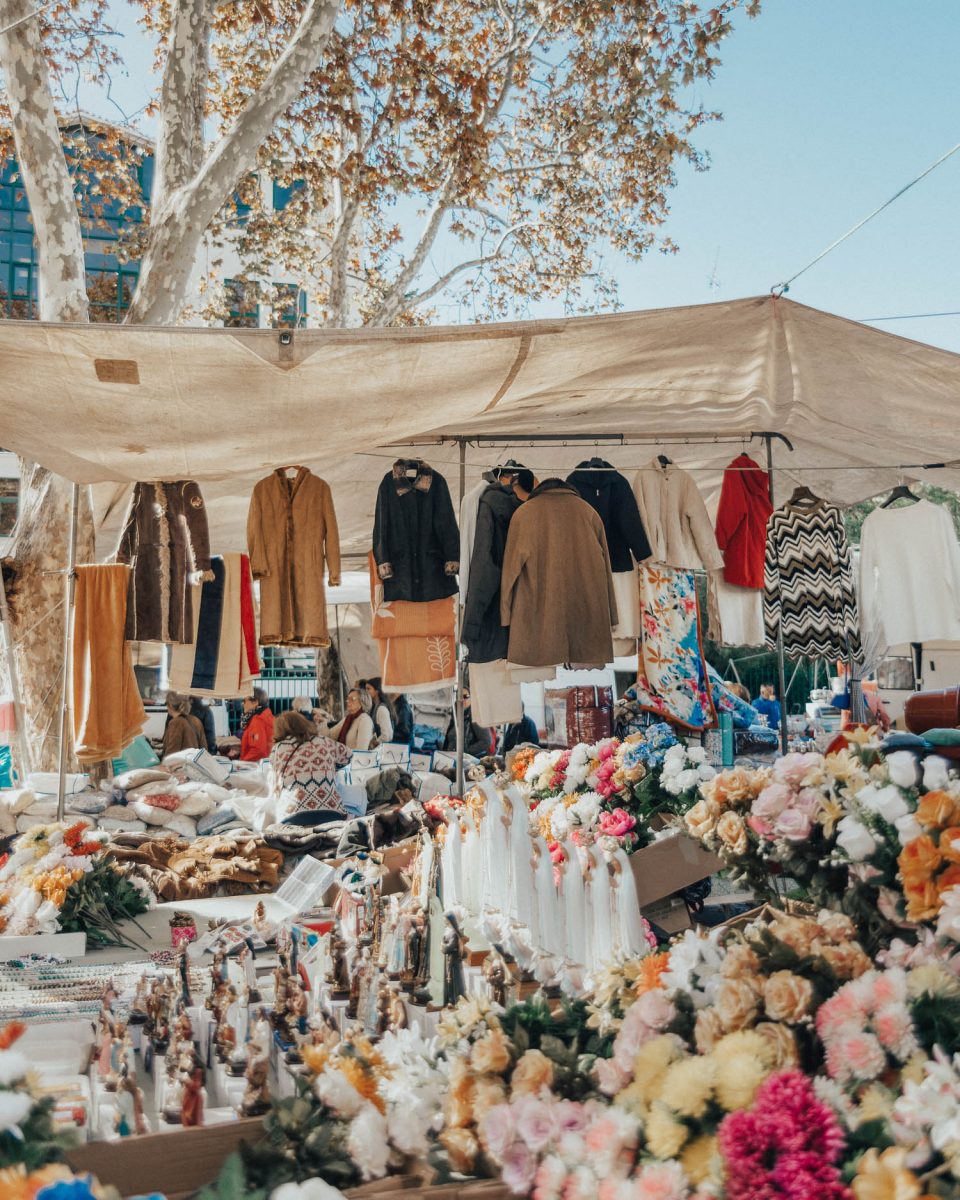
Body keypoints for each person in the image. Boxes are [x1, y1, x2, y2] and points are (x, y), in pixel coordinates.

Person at [269, 710, 351, 825]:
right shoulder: (324, 741)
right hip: (332, 813)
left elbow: (276, 788)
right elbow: (349, 756)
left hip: (293, 816)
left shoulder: (278, 749)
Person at [444, 690, 493, 758]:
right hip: (452, 759)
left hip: (467, 762)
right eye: (459, 697)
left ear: (471, 698)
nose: (462, 699)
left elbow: (486, 741)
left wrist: (466, 752)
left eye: (465, 696)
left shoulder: (476, 716)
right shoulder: (456, 715)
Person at [161, 692, 206, 758]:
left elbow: (171, 755)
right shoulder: (196, 720)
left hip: (181, 766)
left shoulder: (175, 723)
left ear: (170, 705)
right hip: (195, 766)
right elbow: (204, 750)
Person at [240, 688, 274, 762]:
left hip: (255, 765)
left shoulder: (258, 719)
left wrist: (242, 763)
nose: (242, 704)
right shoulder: (265, 715)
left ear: (255, 702)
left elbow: (258, 750)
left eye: (244, 701)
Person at [365, 677, 396, 743]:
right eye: (366, 689)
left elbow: (387, 736)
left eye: (368, 689)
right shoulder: (374, 707)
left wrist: (373, 744)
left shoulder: (381, 709)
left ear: (377, 691)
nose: (366, 692)